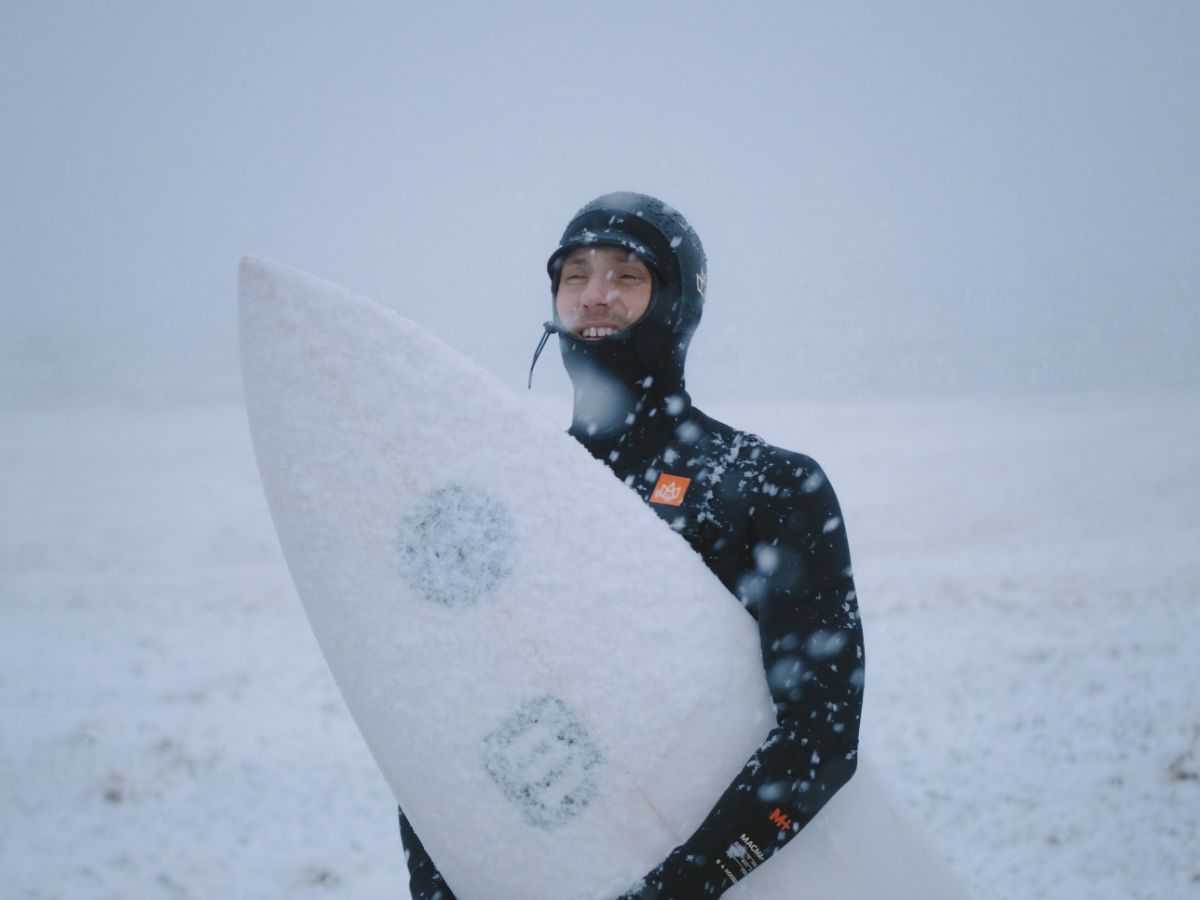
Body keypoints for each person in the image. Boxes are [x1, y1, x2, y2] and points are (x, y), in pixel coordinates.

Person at [398, 192, 865, 899]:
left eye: (627, 274)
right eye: (574, 274)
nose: (595, 296)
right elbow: (451, 722)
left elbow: (822, 736)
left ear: (677, 301)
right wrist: (441, 886)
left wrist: (675, 890)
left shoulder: (768, 486)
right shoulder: (512, 498)